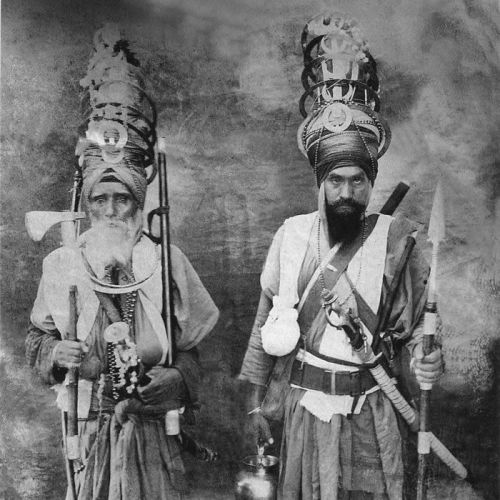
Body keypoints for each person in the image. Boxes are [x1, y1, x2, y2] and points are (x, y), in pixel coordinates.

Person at [239, 15, 443, 500]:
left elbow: (422, 330)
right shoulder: (291, 237)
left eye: (357, 180)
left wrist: (427, 358)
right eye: (336, 181)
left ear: (372, 181)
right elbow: (263, 324)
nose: (346, 193)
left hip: (375, 411)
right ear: (320, 183)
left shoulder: (402, 239)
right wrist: (254, 406)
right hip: (306, 410)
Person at [25, 25, 219, 499]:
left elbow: (193, 351)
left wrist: (177, 378)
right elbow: (37, 339)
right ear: (86, 203)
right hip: (88, 426)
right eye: (100, 200)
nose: (111, 212)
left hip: (154, 431)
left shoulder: (166, 259)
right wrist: (55, 354)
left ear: (140, 201)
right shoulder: (62, 264)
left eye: (122, 200)